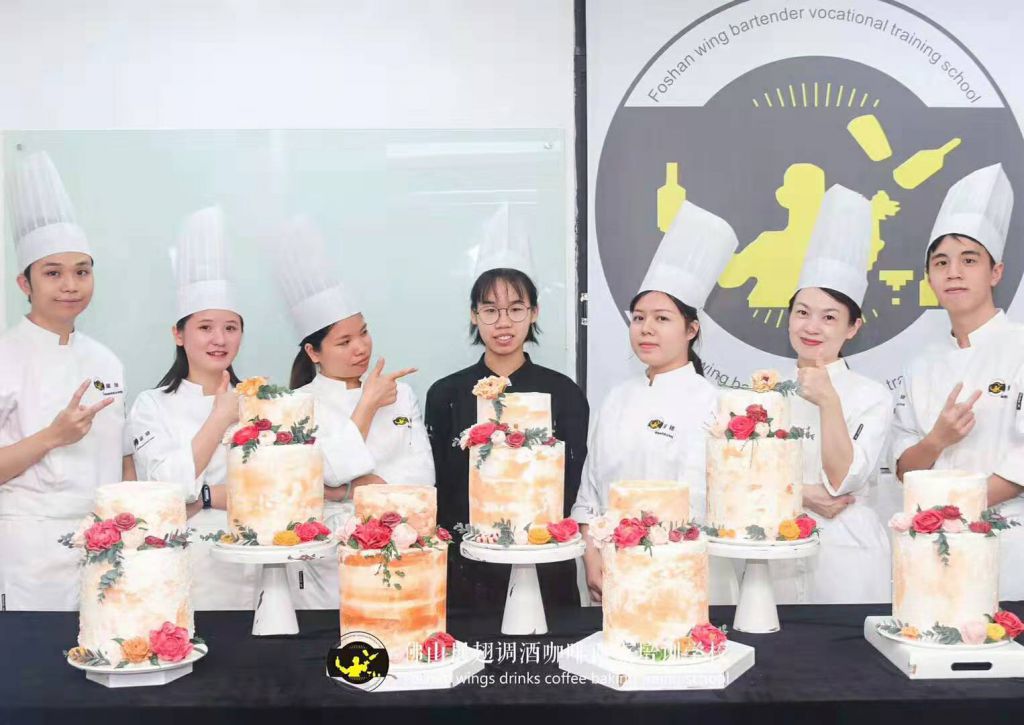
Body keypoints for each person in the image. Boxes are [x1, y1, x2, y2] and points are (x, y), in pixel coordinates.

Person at [572, 199, 738, 604]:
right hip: (613, 572)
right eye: (639, 317)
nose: (646, 328)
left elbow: (715, 504)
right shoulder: (615, 398)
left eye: (662, 318)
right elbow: (589, 494)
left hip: (687, 576)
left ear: (691, 329)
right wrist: (591, 556)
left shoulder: (715, 406)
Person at [426, 204, 589, 609]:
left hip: (546, 564)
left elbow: (574, 485)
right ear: (474, 315)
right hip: (466, 570)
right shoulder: (445, 393)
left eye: (516, 309)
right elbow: (439, 486)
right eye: (490, 310)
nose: (504, 323)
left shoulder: (564, 393)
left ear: (534, 312)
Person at [274, 217, 433, 608]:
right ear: (313, 352)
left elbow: (421, 479)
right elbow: (321, 476)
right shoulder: (295, 405)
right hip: (325, 563)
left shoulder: (402, 393)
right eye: (344, 342)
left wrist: (348, 491)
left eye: (363, 332)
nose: (360, 347)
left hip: (401, 548)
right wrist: (367, 405)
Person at [0, 150, 132, 610]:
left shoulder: (106, 360)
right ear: (25, 284)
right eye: (53, 273)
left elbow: (124, 462)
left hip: (104, 547)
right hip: (30, 550)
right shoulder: (6, 355)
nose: (70, 285)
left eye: (82, 271)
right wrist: (52, 437)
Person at [892, 163, 1024, 599]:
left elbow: (1021, 466)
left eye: (969, 260)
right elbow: (904, 468)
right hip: (930, 543)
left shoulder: (1020, 346)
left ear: (995, 272)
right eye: (941, 263)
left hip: (1008, 543)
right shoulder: (920, 365)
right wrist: (937, 440)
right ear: (928, 278)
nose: (953, 272)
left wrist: (951, 511)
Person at [126, 207, 258, 610]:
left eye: (231, 327)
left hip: (256, 565)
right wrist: (220, 417)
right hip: (178, 566)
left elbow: (275, 494)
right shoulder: (151, 405)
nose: (220, 339)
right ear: (178, 334)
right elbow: (165, 490)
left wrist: (203, 497)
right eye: (205, 327)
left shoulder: (262, 402)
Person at [772, 185, 892, 604]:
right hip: (774, 549)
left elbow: (842, 480)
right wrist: (802, 493)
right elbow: (740, 479)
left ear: (853, 327)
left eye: (829, 317)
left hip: (848, 554)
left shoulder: (872, 396)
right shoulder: (764, 393)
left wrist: (828, 400)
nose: (811, 327)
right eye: (802, 313)